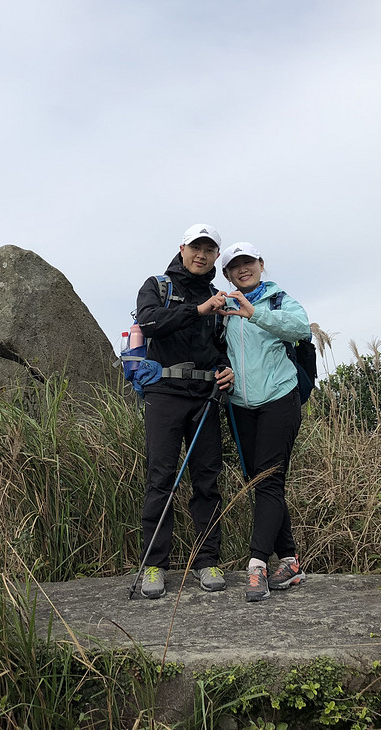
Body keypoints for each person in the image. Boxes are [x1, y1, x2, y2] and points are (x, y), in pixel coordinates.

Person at [134, 224, 235, 599]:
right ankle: (154, 565)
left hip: (206, 396)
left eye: (209, 249)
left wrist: (226, 368)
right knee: (161, 479)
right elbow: (149, 323)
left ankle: (208, 559)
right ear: (182, 248)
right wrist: (197, 309)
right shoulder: (158, 286)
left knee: (207, 480)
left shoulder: (216, 296)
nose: (202, 254)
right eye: (197, 247)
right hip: (164, 393)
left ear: (214, 256)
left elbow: (217, 345)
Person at [220, 241, 311, 602]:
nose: (243, 270)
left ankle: (257, 565)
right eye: (234, 266)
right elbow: (215, 348)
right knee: (259, 482)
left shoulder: (277, 299)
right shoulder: (223, 306)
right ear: (227, 273)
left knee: (269, 480)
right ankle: (289, 561)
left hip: (279, 399)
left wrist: (254, 313)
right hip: (241, 405)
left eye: (248, 263)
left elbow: (301, 327)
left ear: (260, 264)